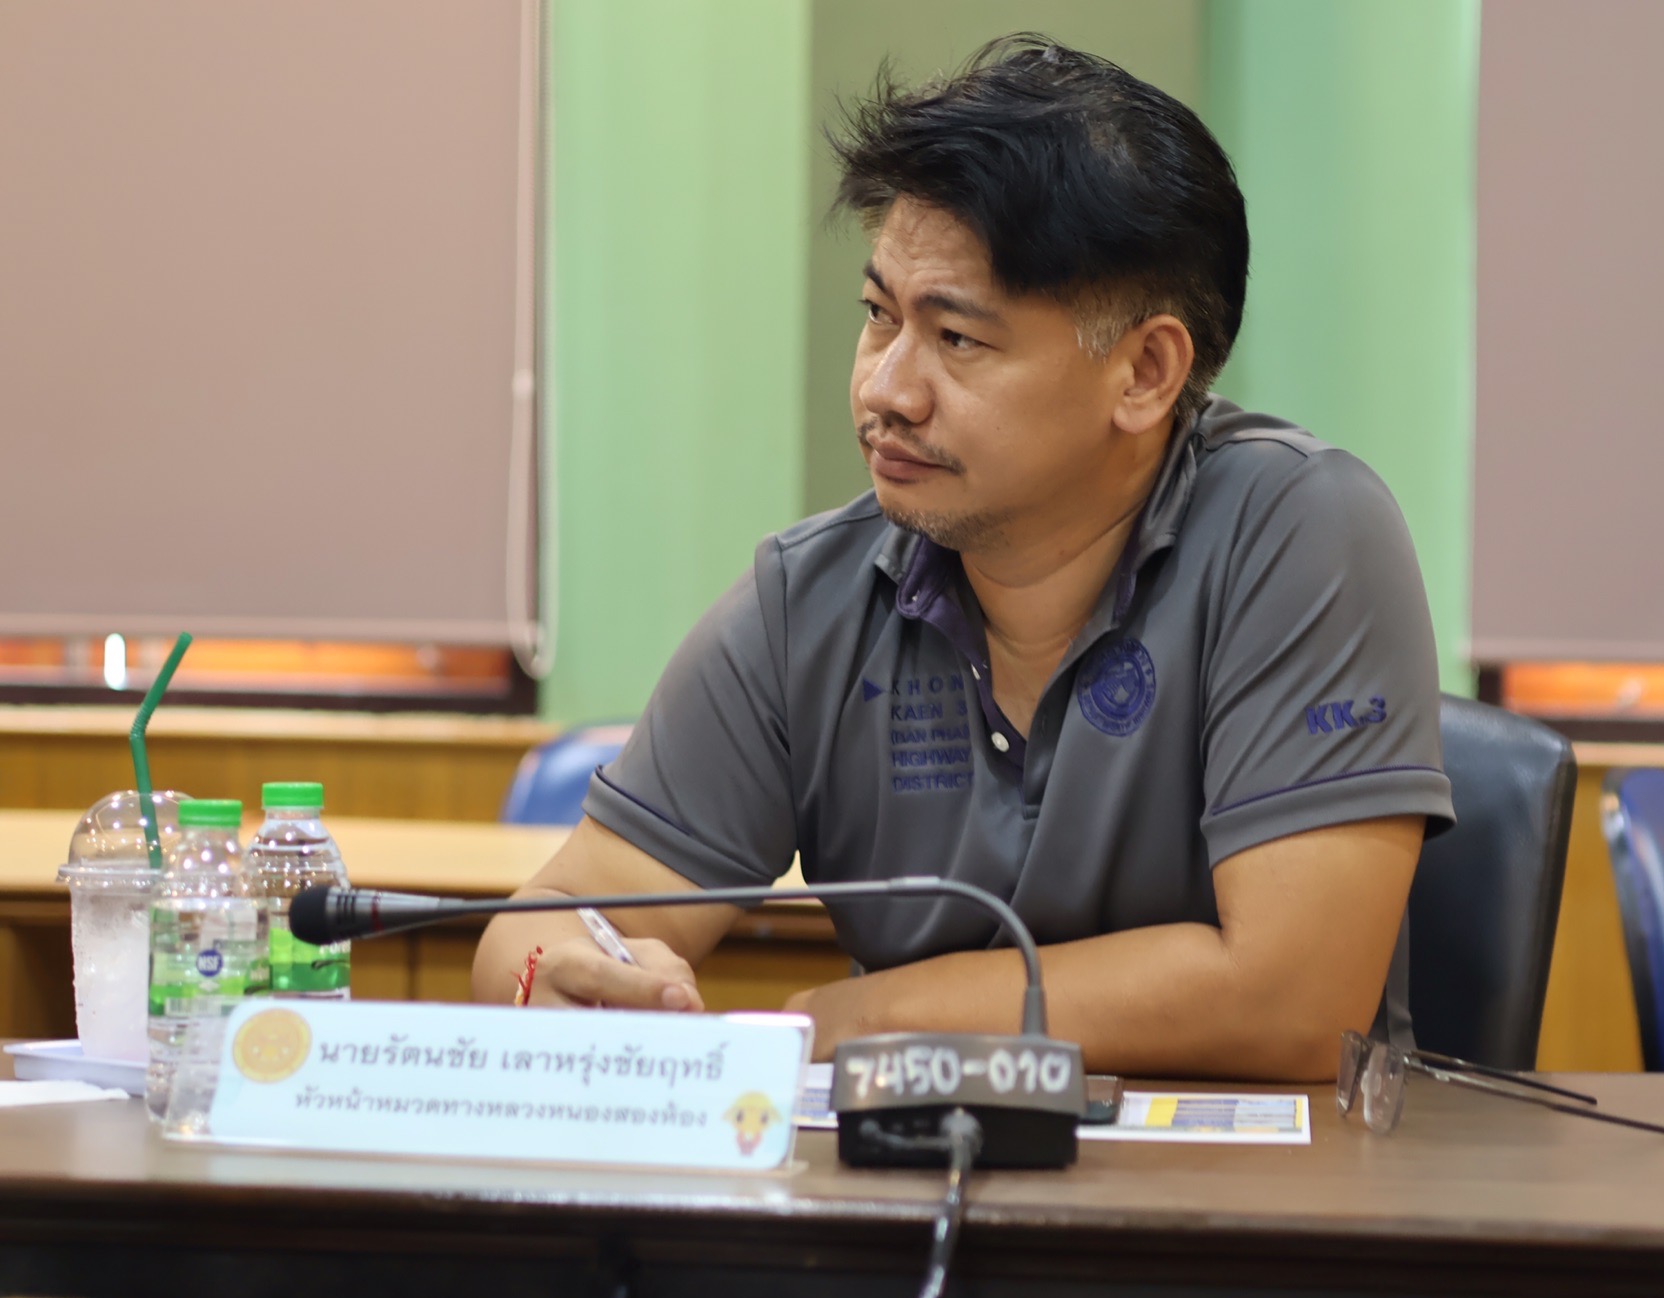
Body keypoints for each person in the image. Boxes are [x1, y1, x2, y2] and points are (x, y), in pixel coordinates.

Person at [472, 35, 1453, 1080]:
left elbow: (1294, 1000)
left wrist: (864, 1013)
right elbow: (547, 921)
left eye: (957, 340)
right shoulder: (813, 599)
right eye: (879, 317)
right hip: (920, 1174)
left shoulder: (1300, 532)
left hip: (1260, 1181)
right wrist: (561, 975)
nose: (885, 389)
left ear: (1144, 372)